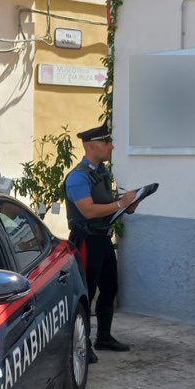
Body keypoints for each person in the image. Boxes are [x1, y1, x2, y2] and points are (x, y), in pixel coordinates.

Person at [64, 124, 142, 363]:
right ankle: (82, 344)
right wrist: (120, 204)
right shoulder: (78, 177)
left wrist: (126, 205)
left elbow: (105, 203)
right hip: (87, 240)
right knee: (86, 294)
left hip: (104, 238)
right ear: (93, 146)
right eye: (108, 142)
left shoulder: (102, 173)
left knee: (109, 288)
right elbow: (88, 210)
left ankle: (104, 337)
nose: (112, 146)